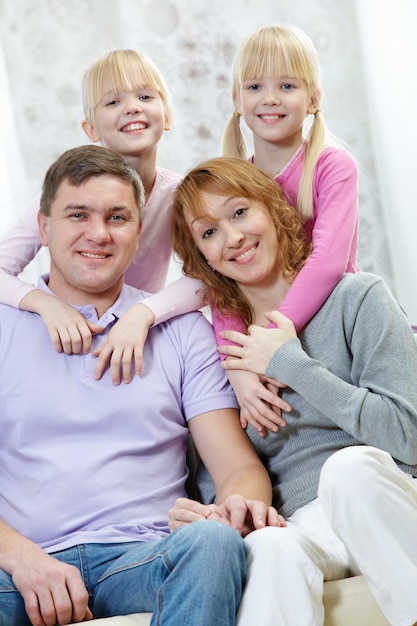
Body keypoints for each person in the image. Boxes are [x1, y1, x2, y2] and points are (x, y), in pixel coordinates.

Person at [0, 145, 285, 626]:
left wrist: (233, 507)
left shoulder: (179, 330)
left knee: (212, 542)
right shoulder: (6, 323)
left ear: (138, 232)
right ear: (44, 228)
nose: (98, 233)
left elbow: (238, 467)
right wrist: (20, 557)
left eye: (117, 217)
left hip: (145, 557)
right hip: (19, 567)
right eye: (78, 215)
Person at [167, 156, 417, 626]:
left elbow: (408, 438)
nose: (233, 238)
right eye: (209, 232)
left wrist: (291, 364)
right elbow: (219, 474)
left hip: (381, 501)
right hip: (305, 525)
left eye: (240, 213)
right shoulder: (219, 356)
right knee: (268, 548)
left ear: (273, 209)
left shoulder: (358, 298)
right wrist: (223, 515)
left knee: (349, 471)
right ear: (201, 258)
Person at [90, 23, 360, 438]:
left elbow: (327, 262)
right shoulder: (236, 181)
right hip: (259, 336)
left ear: (313, 99)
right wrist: (238, 366)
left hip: (327, 323)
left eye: (287, 85)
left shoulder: (331, 165)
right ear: (236, 99)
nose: (269, 98)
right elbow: (220, 285)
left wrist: (266, 344)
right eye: (254, 87)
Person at [0, 48, 181, 361]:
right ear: (91, 129)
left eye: (145, 97)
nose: (132, 108)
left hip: (139, 338)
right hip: (71, 332)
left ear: (167, 115)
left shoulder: (180, 196)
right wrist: (45, 303)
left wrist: (144, 312)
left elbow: (211, 279)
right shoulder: (65, 193)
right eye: (113, 102)